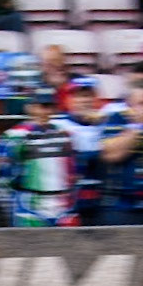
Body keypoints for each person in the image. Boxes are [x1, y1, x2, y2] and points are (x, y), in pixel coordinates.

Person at [0, 85, 78, 225]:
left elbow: (74, 171)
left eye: (49, 106)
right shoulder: (14, 136)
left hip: (63, 206)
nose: (45, 111)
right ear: (29, 107)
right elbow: (2, 175)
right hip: (29, 205)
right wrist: (11, 203)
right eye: (41, 106)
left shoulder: (65, 134)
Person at [96, 78, 143, 224]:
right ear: (129, 103)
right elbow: (113, 155)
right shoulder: (116, 119)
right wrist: (137, 126)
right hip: (120, 206)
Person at [53, 77, 107, 223]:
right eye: (79, 96)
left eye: (88, 95)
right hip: (69, 201)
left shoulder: (108, 125)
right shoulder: (58, 125)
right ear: (69, 100)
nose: (84, 100)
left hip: (102, 200)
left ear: (96, 99)